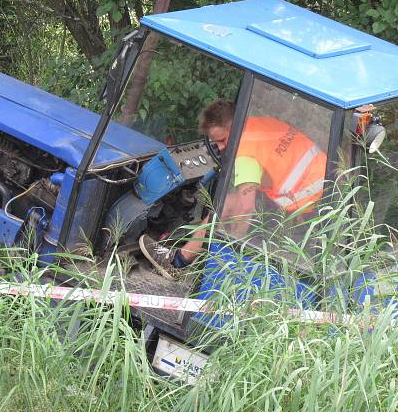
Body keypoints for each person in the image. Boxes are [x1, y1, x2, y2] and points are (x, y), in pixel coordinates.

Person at [139, 99, 327, 278]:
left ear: (234, 128)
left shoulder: (245, 150)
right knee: (229, 201)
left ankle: (179, 261)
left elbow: (246, 208)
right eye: (216, 143)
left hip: (310, 207)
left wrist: (230, 250)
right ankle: (192, 249)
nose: (220, 148)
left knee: (223, 206)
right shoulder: (262, 124)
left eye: (222, 140)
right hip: (328, 187)